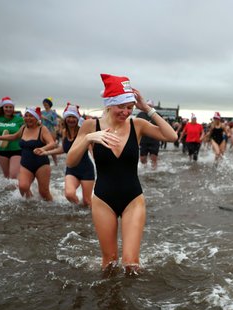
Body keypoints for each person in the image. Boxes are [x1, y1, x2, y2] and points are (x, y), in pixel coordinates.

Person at [66, 73, 177, 274]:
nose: (126, 112)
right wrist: (89, 137)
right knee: (109, 263)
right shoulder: (92, 126)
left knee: (131, 266)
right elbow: (71, 161)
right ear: (109, 104)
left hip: (133, 199)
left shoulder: (137, 125)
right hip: (103, 199)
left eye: (130, 107)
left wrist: (148, 109)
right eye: (122, 107)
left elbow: (172, 136)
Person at [0, 107, 58, 200]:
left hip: (41, 164)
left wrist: (43, 149)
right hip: (25, 164)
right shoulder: (23, 128)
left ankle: (51, 208)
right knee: (23, 187)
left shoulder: (42, 129)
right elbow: (14, 136)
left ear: (37, 118)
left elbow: (52, 143)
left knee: (44, 193)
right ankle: (32, 204)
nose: (28, 118)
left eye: (31, 116)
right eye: (26, 116)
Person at [39, 103, 95, 206]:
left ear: (78, 119)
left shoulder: (84, 133)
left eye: (74, 117)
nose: (71, 120)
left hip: (86, 169)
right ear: (65, 119)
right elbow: (64, 149)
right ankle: (78, 211)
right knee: (69, 194)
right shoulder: (65, 132)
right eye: (69, 117)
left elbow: (91, 149)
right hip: (72, 169)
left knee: (87, 201)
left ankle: (88, 219)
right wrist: (46, 152)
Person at [0, 96, 24, 180]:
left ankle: (20, 191)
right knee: (7, 177)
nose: (8, 109)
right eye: (6, 107)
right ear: (3, 107)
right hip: (2, 150)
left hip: (17, 149)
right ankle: (10, 193)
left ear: (13, 108)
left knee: (14, 175)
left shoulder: (19, 119)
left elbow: (22, 134)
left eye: (10, 107)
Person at [136, 100, 162, 169]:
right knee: (142, 159)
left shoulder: (157, 115)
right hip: (143, 140)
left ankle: (154, 170)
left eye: (150, 106)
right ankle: (145, 170)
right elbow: (136, 127)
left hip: (154, 140)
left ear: (153, 107)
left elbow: (162, 127)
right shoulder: (140, 115)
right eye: (147, 105)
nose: (148, 107)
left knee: (153, 158)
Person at [41, 98, 60, 165]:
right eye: (44, 104)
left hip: (51, 131)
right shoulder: (42, 112)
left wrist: (46, 119)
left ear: (49, 104)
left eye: (46, 104)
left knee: (51, 147)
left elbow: (55, 123)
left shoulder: (53, 113)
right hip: (42, 130)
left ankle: (55, 161)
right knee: (43, 146)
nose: (45, 106)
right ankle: (43, 161)